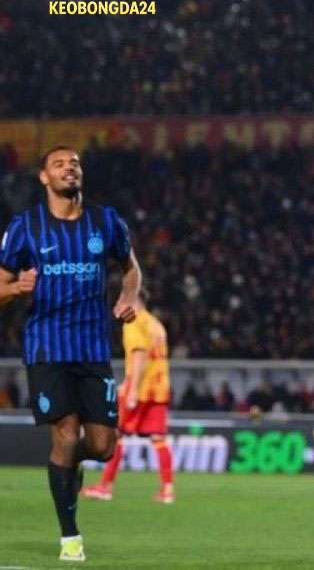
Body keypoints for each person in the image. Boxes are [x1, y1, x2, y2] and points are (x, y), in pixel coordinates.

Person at [0, 145, 140, 562]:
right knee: (65, 433)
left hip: (93, 348)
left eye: (74, 163)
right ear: (44, 178)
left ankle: (65, 468)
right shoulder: (25, 228)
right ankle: (70, 537)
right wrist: (16, 288)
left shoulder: (105, 221)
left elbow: (131, 268)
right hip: (47, 347)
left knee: (103, 446)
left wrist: (128, 297)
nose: (69, 169)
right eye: (59, 164)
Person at [82, 292, 174, 504]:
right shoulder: (155, 324)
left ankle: (105, 487)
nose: (117, 304)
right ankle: (167, 490)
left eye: (121, 300)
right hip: (159, 389)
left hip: (140, 389)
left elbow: (139, 354)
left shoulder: (133, 320)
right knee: (158, 438)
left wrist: (131, 388)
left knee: (117, 434)